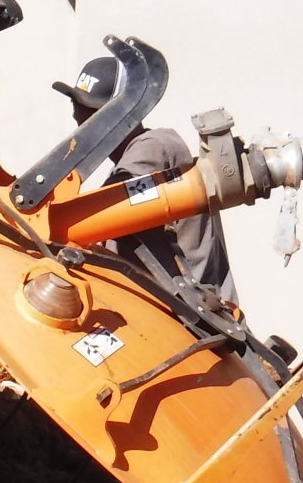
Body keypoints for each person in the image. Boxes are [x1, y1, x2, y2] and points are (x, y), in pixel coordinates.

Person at [53, 55, 238, 304]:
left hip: (192, 319)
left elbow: (91, 218)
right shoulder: (147, 150)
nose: (81, 130)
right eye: (80, 118)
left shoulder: (153, 148)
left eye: (89, 118)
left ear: (119, 115)